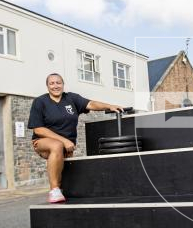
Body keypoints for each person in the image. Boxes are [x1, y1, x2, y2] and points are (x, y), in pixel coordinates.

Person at [28, 73, 123, 203]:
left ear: (63, 84)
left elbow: (91, 104)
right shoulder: (40, 102)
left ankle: (59, 193)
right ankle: (54, 190)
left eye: (58, 82)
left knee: (62, 174)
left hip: (67, 146)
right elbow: (38, 129)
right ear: (47, 86)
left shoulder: (71, 98)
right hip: (43, 142)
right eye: (52, 83)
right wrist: (64, 140)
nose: (55, 86)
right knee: (57, 146)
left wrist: (109, 106)